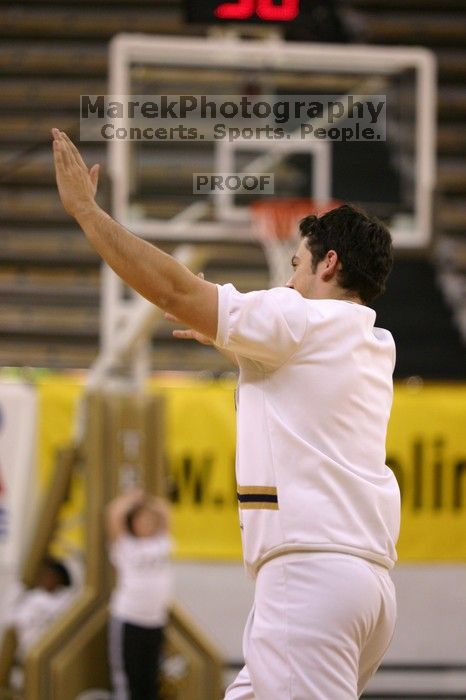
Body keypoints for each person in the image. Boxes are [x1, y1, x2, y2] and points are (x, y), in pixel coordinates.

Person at [52, 129, 400, 699]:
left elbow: (175, 291)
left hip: (309, 578)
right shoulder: (371, 340)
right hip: (365, 590)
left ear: (330, 262)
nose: (287, 280)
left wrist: (89, 215)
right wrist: (229, 337)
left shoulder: (300, 317)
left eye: (296, 264)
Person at [106, 489, 172, 700]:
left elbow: (165, 511)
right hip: (129, 620)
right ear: (132, 523)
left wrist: (149, 501)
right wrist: (132, 499)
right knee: (129, 681)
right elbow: (113, 514)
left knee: (150, 679)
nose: (146, 524)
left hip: (155, 621)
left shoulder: (162, 543)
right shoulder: (126, 545)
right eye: (141, 520)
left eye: (150, 520)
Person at [5, 556, 75, 662]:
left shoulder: (70, 600)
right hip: (30, 654)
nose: (43, 579)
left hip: (56, 654)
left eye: (48, 575)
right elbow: (13, 621)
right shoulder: (34, 597)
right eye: (41, 575)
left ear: (60, 578)